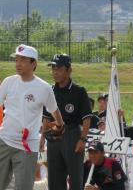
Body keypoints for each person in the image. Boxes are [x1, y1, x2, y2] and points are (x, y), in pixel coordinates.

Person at [0, 44, 65, 190]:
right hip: (4, 140)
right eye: (17, 60)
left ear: (34, 63)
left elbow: (54, 110)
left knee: (24, 187)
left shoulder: (44, 87)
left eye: (23, 60)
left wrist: (60, 124)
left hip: (27, 145)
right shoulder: (9, 82)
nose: (18, 63)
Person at [42, 53, 92, 190]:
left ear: (69, 70)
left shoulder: (79, 91)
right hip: (53, 136)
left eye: (58, 68)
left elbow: (86, 118)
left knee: (75, 178)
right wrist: (42, 139)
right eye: (53, 68)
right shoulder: (50, 90)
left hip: (72, 135)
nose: (55, 72)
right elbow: (46, 116)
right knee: (54, 177)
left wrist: (82, 138)